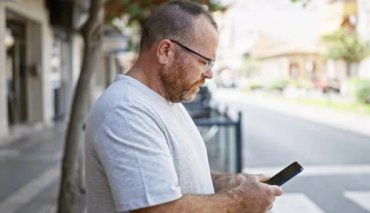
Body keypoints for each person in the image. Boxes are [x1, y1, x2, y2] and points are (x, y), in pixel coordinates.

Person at [85, 1, 282, 212]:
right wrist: (242, 200)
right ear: (166, 51)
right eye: (204, 61)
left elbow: (180, 178)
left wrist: (232, 183)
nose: (209, 74)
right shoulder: (125, 110)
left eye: (211, 64)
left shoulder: (164, 100)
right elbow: (157, 209)